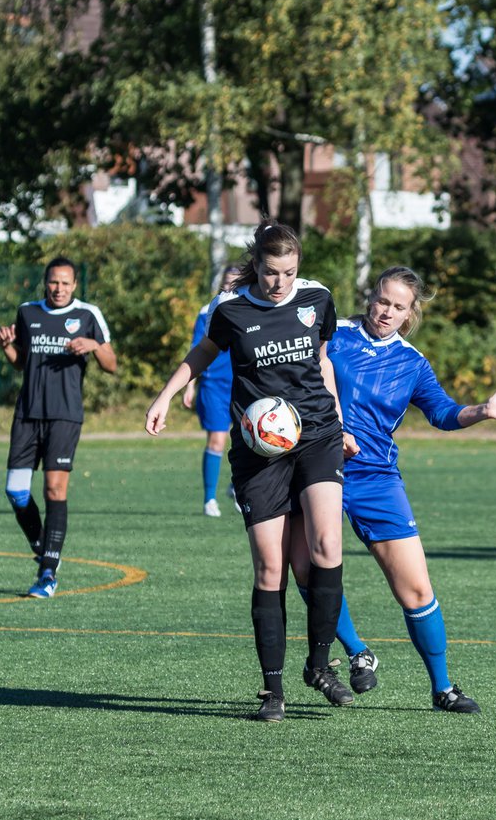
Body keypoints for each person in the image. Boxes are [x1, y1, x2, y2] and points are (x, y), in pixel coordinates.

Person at [145, 220, 351, 723]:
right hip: (259, 450)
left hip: (317, 434)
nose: (279, 282)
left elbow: (322, 362)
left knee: (327, 545)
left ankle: (321, 666)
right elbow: (202, 353)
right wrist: (165, 395)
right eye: (271, 271)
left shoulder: (318, 299)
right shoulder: (231, 310)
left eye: (289, 272)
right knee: (270, 567)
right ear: (255, 265)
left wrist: (340, 422)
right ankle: (272, 690)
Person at [293, 266, 496, 714]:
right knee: (308, 572)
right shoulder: (331, 335)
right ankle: (359, 650)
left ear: (410, 313)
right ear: (370, 297)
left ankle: (444, 689)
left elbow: (442, 412)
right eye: (382, 300)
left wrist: (484, 409)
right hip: (317, 469)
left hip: (376, 479)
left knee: (416, 591)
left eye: (398, 306)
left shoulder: (412, 363)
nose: (386, 311)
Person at [0, 257, 117, 598]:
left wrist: (94, 346)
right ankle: (43, 544)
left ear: (74, 285)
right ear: (44, 283)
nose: (59, 288)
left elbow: (111, 364)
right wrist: (6, 346)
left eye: (65, 283)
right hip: (27, 414)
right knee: (15, 490)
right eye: (53, 282)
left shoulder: (88, 315)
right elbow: (22, 362)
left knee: (53, 490)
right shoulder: (27, 312)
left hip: (65, 415)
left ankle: (47, 574)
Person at [181, 266, 244, 517]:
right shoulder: (208, 312)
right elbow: (198, 349)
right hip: (214, 386)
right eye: (226, 284)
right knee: (217, 440)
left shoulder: (251, 311)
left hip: (243, 383)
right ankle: (209, 499)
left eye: (235, 284)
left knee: (248, 441)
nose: (230, 288)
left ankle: (237, 487)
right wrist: (190, 385)